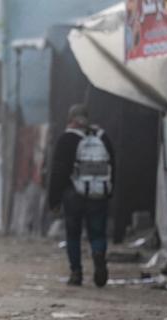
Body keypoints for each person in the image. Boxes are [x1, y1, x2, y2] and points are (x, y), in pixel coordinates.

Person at [48, 104, 115, 287]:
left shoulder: (67, 139)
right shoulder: (102, 137)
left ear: (70, 119)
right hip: (99, 195)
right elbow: (112, 166)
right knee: (98, 233)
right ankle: (99, 255)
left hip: (73, 195)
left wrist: (54, 200)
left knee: (73, 234)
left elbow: (58, 172)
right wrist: (109, 191)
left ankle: (76, 273)